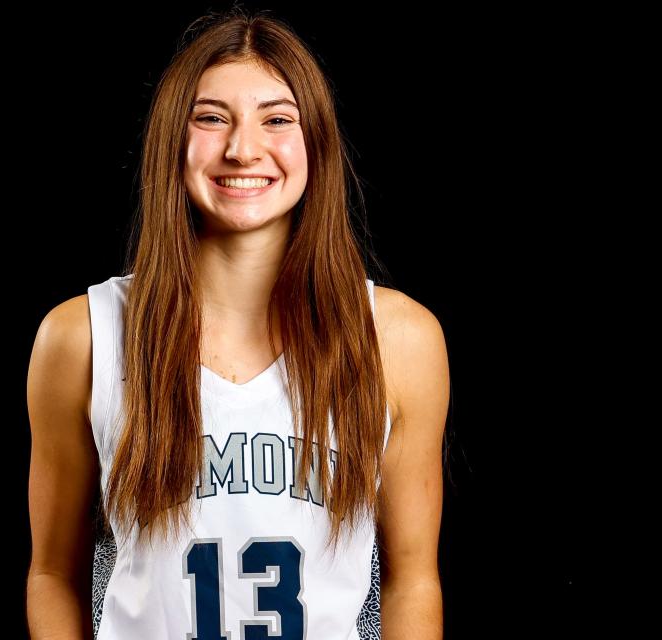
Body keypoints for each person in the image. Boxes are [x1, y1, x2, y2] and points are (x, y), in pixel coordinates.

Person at [25, 8, 449, 639]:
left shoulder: (398, 340)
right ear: (175, 138)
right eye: (211, 117)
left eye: (277, 120)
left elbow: (411, 580)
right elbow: (53, 575)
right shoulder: (83, 336)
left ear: (318, 144)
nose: (242, 148)